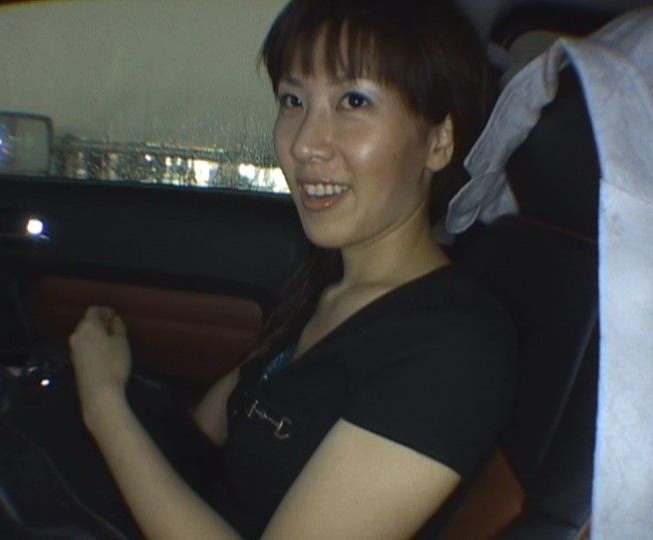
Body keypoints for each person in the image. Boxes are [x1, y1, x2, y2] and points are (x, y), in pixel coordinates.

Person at [68, 0, 516, 538]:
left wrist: (103, 404)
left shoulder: (452, 347)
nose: (304, 144)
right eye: (293, 100)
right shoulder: (327, 281)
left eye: (354, 101)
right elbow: (203, 437)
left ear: (439, 141)